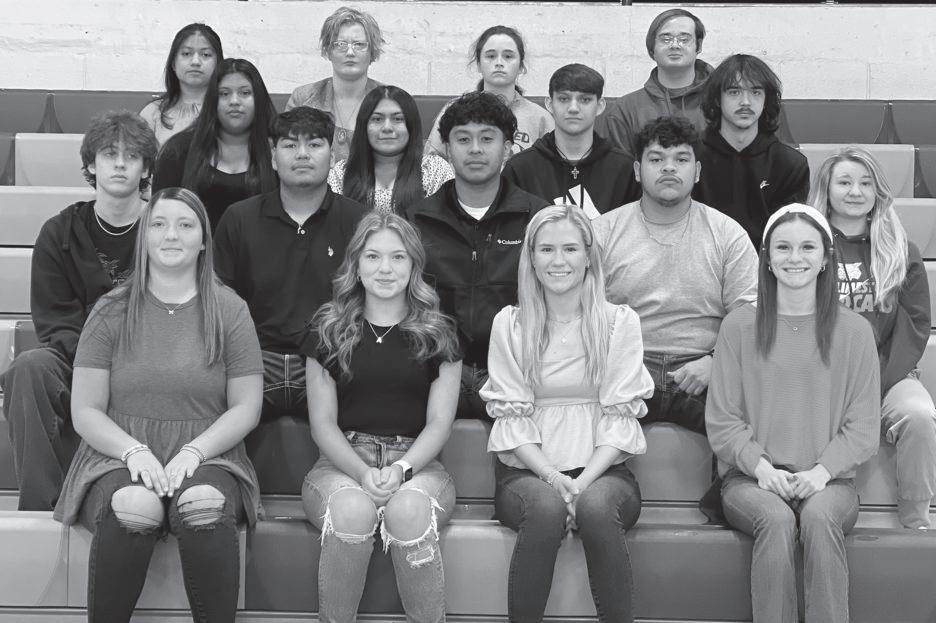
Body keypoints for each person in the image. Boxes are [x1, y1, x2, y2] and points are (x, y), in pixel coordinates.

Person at [52, 187, 264, 622]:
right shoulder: (111, 310)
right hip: (117, 455)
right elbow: (85, 410)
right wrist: (133, 451)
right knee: (136, 504)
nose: (171, 235)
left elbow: (246, 406)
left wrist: (195, 451)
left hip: (210, 452)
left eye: (185, 225)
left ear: (203, 240)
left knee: (203, 502)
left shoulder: (230, 310)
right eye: (159, 224)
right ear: (144, 237)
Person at [706, 204, 880, 623]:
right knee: (775, 518)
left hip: (829, 481)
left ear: (826, 258)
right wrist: (762, 469)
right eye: (783, 247)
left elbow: (863, 426)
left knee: (819, 517)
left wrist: (822, 472)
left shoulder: (856, 332)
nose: (795, 257)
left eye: (807, 247)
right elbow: (723, 420)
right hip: (751, 479)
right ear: (767, 258)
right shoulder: (738, 326)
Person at [481, 204, 653, 623]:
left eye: (570, 249)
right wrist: (554, 478)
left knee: (596, 507)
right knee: (545, 508)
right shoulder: (510, 325)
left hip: (604, 470)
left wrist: (581, 483)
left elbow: (621, 417)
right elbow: (511, 417)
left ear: (589, 256)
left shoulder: (619, 323)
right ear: (531, 258)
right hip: (528, 470)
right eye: (546, 249)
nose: (558, 261)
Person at [593, 116, 757, 519]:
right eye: (656, 159)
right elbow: (583, 312)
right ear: (637, 170)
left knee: (756, 417)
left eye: (681, 159)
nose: (669, 167)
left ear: (696, 171)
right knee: (578, 413)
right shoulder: (603, 232)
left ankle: (731, 503)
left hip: (702, 367)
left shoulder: (726, 233)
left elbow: (750, 313)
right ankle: (603, 503)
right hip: (628, 366)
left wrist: (716, 361)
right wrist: (619, 364)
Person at [301, 212, 461, 623]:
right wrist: (361, 472)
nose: (385, 268)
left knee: (407, 511)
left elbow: (439, 423)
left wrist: (402, 469)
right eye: (373, 256)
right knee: (352, 510)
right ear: (356, 265)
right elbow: (322, 423)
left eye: (398, 257)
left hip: (418, 463)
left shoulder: (439, 332)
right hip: (341, 462)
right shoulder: (328, 329)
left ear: (414, 265)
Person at [0, 111, 158, 511]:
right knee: (29, 368)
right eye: (109, 154)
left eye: (131, 156)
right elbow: (55, 323)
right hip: (79, 362)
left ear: (145, 169)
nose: (120, 164)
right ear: (91, 164)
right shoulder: (59, 231)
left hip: (152, 364)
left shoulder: (166, 227)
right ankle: (40, 508)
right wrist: (98, 363)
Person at [214, 106, 366, 484]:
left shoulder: (360, 221)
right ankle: (220, 488)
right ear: (272, 155)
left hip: (330, 362)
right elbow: (219, 302)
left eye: (314, 144)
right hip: (254, 360)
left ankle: (350, 491)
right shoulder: (239, 218)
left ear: (333, 153)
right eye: (289, 145)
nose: (302, 154)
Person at [811, 146, 935, 529]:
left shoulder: (900, 250)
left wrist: (877, 381)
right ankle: (818, 512)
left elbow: (916, 324)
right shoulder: (807, 246)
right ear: (827, 189)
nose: (855, 191)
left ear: (878, 192)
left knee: (919, 416)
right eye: (845, 182)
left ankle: (916, 521)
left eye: (866, 183)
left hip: (888, 375)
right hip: (821, 376)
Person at [407, 91, 549, 420]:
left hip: (518, 373)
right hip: (433, 370)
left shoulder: (538, 219)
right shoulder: (416, 221)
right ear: (446, 149)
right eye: (463, 139)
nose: (475, 149)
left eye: (487, 138)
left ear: (508, 148)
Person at [695, 53, 809, 246]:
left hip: (764, 262)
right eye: (734, 92)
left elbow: (787, 237)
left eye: (756, 92)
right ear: (717, 99)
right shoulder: (691, 157)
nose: (745, 102)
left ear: (766, 100)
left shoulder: (790, 164)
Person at [153, 58, 277, 231]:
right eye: (224, 94)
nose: (234, 101)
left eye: (245, 93)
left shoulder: (279, 150)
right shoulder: (178, 151)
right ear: (212, 100)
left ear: (259, 99)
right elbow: (160, 218)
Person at [503, 63, 640, 218]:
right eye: (564, 99)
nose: (573, 108)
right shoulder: (520, 169)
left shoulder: (625, 169)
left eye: (585, 100)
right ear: (549, 104)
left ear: (600, 106)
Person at [424, 25, 553, 160]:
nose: (499, 63)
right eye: (491, 56)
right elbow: (432, 162)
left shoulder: (540, 118)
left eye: (508, 56)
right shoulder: (454, 110)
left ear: (521, 66)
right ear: (479, 65)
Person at [596, 9, 712, 157]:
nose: (675, 45)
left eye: (684, 39)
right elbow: (619, 168)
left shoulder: (719, 102)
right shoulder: (625, 110)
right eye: (666, 39)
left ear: (698, 46)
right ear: (652, 48)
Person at [328, 85, 453, 213]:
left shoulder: (434, 170)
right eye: (377, 119)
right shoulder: (341, 174)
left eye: (398, 119)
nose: (387, 128)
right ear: (364, 126)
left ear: (411, 125)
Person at [285, 6, 385, 164]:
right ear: (328, 51)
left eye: (359, 44)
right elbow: (287, 154)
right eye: (340, 44)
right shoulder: (303, 98)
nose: (350, 52)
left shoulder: (389, 100)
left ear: (372, 51)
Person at [139, 23, 223, 147]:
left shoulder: (228, 110)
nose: (195, 62)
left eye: (205, 54)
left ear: (218, 63)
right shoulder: (152, 113)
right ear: (173, 63)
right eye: (186, 54)